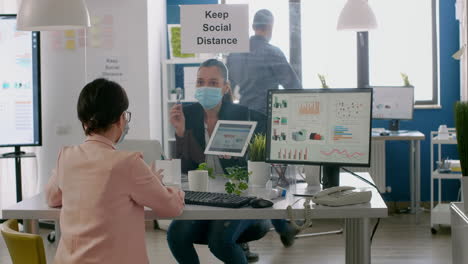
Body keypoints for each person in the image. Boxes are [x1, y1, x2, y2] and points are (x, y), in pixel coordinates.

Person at [167, 59, 298, 264]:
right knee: (175, 236)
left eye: (212, 83)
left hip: (239, 195)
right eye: (200, 82)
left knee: (220, 242)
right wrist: (181, 133)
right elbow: (187, 169)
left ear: (225, 87)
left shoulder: (241, 115)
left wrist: (240, 156)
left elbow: (259, 161)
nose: (205, 88)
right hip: (204, 196)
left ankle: (276, 231)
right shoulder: (188, 114)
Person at [45, 78, 185, 264]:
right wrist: (163, 185)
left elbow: (52, 198)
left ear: (84, 121)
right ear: (121, 119)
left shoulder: (66, 156)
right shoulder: (128, 163)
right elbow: (171, 207)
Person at [227, 9, 302, 115]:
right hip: (265, 118)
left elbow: (227, 89)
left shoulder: (234, 54)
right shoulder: (273, 53)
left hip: (242, 116)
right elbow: (295, 88)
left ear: (253, 27)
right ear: (270, 27)